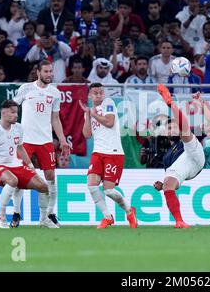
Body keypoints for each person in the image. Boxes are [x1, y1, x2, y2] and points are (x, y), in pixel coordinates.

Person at [0, 100, 54, 228]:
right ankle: (1, 215)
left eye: (17, 112)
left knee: (43, 187)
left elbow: (20, 148)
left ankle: (43, 220)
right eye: (13, 112)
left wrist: (30, 166)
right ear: (3, 113)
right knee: (12, 180)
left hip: (16, 165)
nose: (16, 115)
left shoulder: (19, 128)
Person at [12, 60, 71, 228]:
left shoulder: (55, 93)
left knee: (51, 177)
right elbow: (13, 109)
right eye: (46, 71)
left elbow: (55, 119)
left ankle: (47, 216)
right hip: (25, 142)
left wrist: (62, 139)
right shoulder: (26, 89)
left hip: (45, 141)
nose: (49, 74)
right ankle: (16, 213)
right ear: (38, 72)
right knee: (19, 177)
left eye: (51, 71)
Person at [79, 83, 138, 229]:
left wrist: (92, 114)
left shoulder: (109, 103)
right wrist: (87, 114)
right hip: (98, 152)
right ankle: (107, 217)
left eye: (101, 92)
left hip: (113, 152)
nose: (99, 95)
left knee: (108, 191)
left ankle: (129, 211)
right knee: (91, 185)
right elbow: (86, 135)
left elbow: (110, 122)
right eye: (95, 93)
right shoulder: (90, 111)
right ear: (90, 96)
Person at [153, 86, 209, 228]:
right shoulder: (167, 156)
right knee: (168, 186)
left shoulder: (186, 134)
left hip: (195, 155)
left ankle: (170, 103)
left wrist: (202, 104)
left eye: (174, 126)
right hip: (186, 167)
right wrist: (162, 186)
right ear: (165, 132)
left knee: (186, 134)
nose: (172, 129)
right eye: (169, 128)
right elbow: (172, 180)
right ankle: (179, 221)